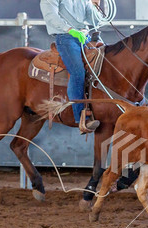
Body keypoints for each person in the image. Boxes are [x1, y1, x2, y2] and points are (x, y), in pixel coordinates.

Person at [40, 0, 101, 133]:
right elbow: (51, 16)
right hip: (65, 37)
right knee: (77, 73)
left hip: (85, 36)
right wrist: (70, 30)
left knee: (105, 63)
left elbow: (95, 20)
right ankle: (81, 118)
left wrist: (96, 5)